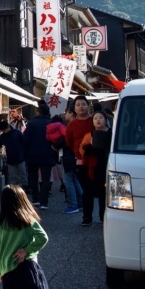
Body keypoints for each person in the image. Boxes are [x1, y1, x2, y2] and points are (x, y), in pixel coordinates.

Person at [65, 95, 96, 225]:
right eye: (78, 105)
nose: (81, 107)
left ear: (88, 106)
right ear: (75, 108)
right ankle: (87, 217)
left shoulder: (94, 120)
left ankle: (102, 215)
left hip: (97, 159)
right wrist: (78, 152)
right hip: (81, 161)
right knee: (86, 189)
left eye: (83, 104)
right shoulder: (72, 124)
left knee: (99, 188)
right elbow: (69, 142)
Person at [22, 103, 56, 209]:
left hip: (33, 154)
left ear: (38, 112)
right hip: (48, 154)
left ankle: (35, 199)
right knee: (46, 179)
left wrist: (26, 152)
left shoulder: (32, 123)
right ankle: (44, 202)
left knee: (33, 177)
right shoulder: (51, 123)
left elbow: (25, 139)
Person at [83, 109, 112, 224]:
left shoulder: (111, 133)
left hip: (107, 164)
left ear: (105, 120)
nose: (98, 120)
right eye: (95, 118)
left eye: (100, 118)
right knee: (88, 192)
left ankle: (103, 216)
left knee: (104, 193)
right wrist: (88, 149)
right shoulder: (89, 135)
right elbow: (82, 149)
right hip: (92, 166)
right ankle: (87, 217)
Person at [50, 113, 81, 214]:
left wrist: (55, 145)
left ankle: (73, 205)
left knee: (69, 181)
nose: (65, 115)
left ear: (71, 114)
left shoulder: (68, 127)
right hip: (72, 156)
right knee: (74, 180)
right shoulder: (72, 125)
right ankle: (80, 202)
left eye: (67, 113)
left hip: (69, 157)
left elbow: (65, 139)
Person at [0, 119, 27, 187]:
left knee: (23, 174)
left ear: (8, 127)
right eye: (3, 130)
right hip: (11, 159)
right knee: (13, 176)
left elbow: (25, 142)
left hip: (20, 157)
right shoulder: (4, 136)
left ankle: (25, 187)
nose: (4, 131)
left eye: (4, 130)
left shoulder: (17, 132)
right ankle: (13, 189)